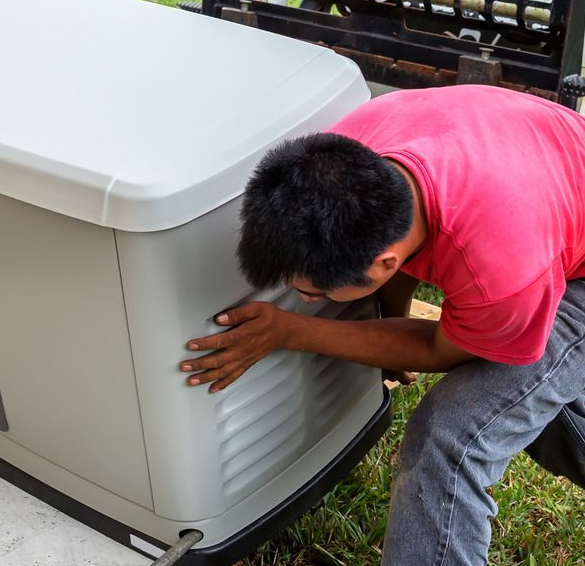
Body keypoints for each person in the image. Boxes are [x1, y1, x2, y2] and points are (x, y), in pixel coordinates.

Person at [177, 84, 585, 564]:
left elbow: (442, 351)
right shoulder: (342, 156)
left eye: (313, 292)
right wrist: (390, 324)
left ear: (383, 265)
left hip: (558, 260)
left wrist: (290, 330)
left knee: (452, 436)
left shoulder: (501, 273)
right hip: (544, 183)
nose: (306, 299)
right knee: (530, 397)